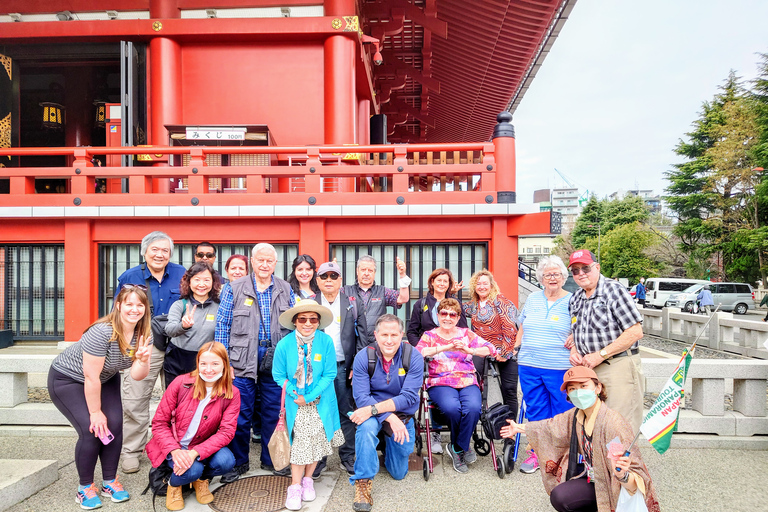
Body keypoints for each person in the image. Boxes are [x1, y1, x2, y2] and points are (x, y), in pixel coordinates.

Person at [48, 285, 152, 510]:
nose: (134, 309)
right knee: (92, 428)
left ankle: (109, 482)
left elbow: (136, 375)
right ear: (118, 306)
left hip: (106, 378)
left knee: (114, 424)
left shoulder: (144, 334)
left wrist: (143, 360)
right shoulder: (102, 331)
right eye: (129, 304)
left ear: (145, 308)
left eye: (139, 305)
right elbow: (90, 375)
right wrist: (95, 413)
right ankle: (84, 487)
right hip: (69, 379)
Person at [500, 366, 661, 512]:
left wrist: (622, 476)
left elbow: (628, 471)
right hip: (592, 477)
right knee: (560, 497)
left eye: (583, 386)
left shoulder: (611, 424)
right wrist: (519, 428)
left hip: (612, 484)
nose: (578, 392)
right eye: (572, 389)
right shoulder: (577, 414)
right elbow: (551, 427)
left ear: (598, 387)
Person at [215, 242, 296, 482]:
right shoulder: (234, 288)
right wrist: (225, 362)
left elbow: (294, 325)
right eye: (260, 260)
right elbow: (222, 325)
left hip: (276, 358)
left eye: (269, 261)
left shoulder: (285, 288)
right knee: (240, 413)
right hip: (241, 359)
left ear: (275, 264)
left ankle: (272, 461)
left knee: (274, 411)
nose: (264, 264)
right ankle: (238, 463)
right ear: (252, 261)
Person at [117, 231, 186, 473]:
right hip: (144, 345)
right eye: (154, 249)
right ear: (144, 251)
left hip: (178, 346)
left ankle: (175, 448)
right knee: (135, 399)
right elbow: (120, 314)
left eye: (165, 250)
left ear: (170, 254)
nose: (159, 254)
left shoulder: (182, 274)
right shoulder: (130, 276)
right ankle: (131, 451)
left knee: (178, 402)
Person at [146, 342, 240, 511]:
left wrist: (196, 452)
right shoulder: (180, 383)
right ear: (197, 363)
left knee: (227, 462)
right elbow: (159, 423)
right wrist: (175, 451)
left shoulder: (231, 392)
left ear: (225, 364)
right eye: (203, 363)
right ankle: (173, 485)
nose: (208, 369)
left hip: (201, 445)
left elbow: (227, 432)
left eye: (215, 363)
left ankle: (200, 481)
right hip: (175, 443)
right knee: (192, 470)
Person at [272, 300, 343, 511]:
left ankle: (308, 480)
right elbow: (278, 375)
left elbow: (330, 373)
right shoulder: (284, 344)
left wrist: (311, 395)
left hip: (320, 401)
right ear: (295, 321)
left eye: (313, 319)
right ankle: (294, 487)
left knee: (317, 442)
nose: (308, 323)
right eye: (303, 318)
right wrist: (297, 394)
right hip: (296, 403)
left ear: (318, 322)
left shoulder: (326, 341)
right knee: (300, 444)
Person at [349, 314, 424, 512]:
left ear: (402, 335)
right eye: (384, 335)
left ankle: (385, 445)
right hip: (373, 412)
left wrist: (386, 414)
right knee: (365, 430)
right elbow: (362, 397)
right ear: (376, 334)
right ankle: (363, 482)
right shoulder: (364, 356)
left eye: (394, 335)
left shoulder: (413, 356)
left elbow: (409, 397)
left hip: (401, 413)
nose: (389, 340)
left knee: (398, 472)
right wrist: (387, 417)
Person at [415, 298, 497, 474]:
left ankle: (457, 447)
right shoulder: (429, 335)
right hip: (440, 381)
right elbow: (418, 352)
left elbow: (491, 349)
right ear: (438, 315)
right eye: (444, 313)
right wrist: (445, 347)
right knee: (453, 408)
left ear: (458, 316)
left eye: (453, 314)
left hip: (467, 380)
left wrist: (470, 351)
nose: (448, 317)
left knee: (474, 408)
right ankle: (463, 446)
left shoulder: (466, 334)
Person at [568, 249, 644, 432]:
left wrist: (601, 354)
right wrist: (574, 350)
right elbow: (576, 332)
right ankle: (600, 462)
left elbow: (635, 331)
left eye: (585, 268)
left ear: (597, 267)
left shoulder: (613, 290)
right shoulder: (576, 298)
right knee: (594, 425)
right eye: (575, 270)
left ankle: (622, 462)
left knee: (619, 426)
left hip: (617, 365)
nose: (581, 274)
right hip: (589, 370)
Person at [513, 255, 574, 474]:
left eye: (556, 274)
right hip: (529, 364)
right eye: (547, 274)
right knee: (536, 409)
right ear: (541, 277)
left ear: (563, 276)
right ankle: (537, 452)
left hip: (560, 366)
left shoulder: (572, 300)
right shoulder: (533, 298)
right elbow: (522, 326)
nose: (552, 278)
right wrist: (515, 347)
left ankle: (562, 455)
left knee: (562, 410)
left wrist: (575, 337)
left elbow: (582, 326)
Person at [311, 261, 368, 477]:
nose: (329, 281)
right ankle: (319, 459)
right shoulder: (311, 303)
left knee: (346, 411)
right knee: (318, 411)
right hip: (317, 369)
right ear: (317, 281)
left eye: (333, 276)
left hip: (344, 366)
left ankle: (347, 455)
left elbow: (363, 336)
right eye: (324, 277)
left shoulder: (352, 303)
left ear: (340, 281)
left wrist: (358, 366)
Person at [406, 267, 468, 455]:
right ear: (432, 282)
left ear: (449, 285)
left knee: (459, 397)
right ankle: (436, 433)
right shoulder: (422, 303)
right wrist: (423, 350)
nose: (441, 284)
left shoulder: (455, 302)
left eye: (445, 281)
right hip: (430, 356)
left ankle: (459, 435)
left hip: (453, 358)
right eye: (438, 280)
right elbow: (412, 330)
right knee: (433, 392)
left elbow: (464, 329)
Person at [461, 269, 520, 425]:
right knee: (474, 382)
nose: (481, 287)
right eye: (478, 284)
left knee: (509, 390)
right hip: (482, 350)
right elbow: (457, 308)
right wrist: (452, 294)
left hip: (504, 350)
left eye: (485, 283)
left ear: (491, 285)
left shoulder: (501, 301)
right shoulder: (474, 305)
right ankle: (476, 420)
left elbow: (510, 327)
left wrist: (505, 352)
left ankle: (511, 429)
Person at [163, 262, 221, 386]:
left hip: (205, 361)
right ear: (189, 282)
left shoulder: (219, 307)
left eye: (206, 280)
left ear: (213, 282)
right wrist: (183, 326)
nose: (201, 284)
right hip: (177, 360)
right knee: (176, 400)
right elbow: (169, 329)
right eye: (197, 280)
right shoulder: (180, 305)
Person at [343, 255, 411, 343]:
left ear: (374, 273)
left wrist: (402, 275)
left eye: (370, 270)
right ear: (357, 271)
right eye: (363, 270)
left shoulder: (382, 291)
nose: (366, 273)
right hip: (351, 342)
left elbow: (403, 298)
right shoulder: (345, 291)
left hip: (376, 343)